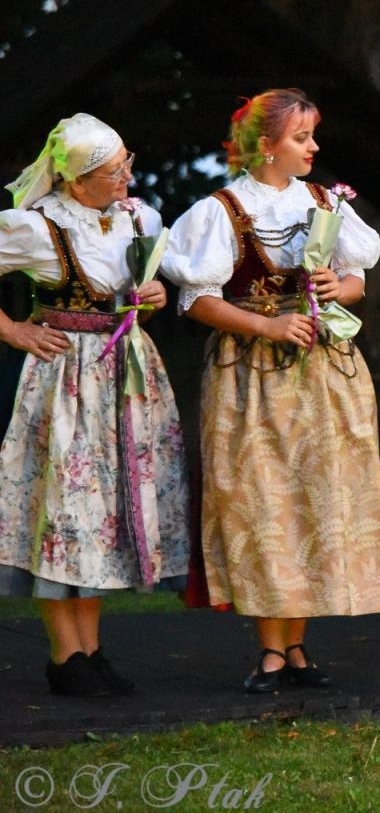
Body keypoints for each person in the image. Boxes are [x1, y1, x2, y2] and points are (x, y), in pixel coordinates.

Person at [163, 89, 380, 693]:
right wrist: (268, 323)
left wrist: (334, 286)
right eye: (301, 137)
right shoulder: (221, 210)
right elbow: (198, 300)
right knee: (263, 502)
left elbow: (358, 283)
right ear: (265, 146)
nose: (314, 147)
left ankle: (296, 646)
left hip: (324, 374)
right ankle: (270, 650)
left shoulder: (325, 202)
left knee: (316, 501)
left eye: (313, 135)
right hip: (250, 375)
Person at [0, 115, 190, 697]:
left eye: (127, 162)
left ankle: (90, 650)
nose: (126, 176)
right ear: (78, 180)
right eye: (113, 170)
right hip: (67, 379)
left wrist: (153, 295)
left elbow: (141, 293)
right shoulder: (38, 226)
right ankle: (66, 655)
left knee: (101, 516)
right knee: (66, 509)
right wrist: (13, 331)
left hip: (124, 374)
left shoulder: (139, 216)